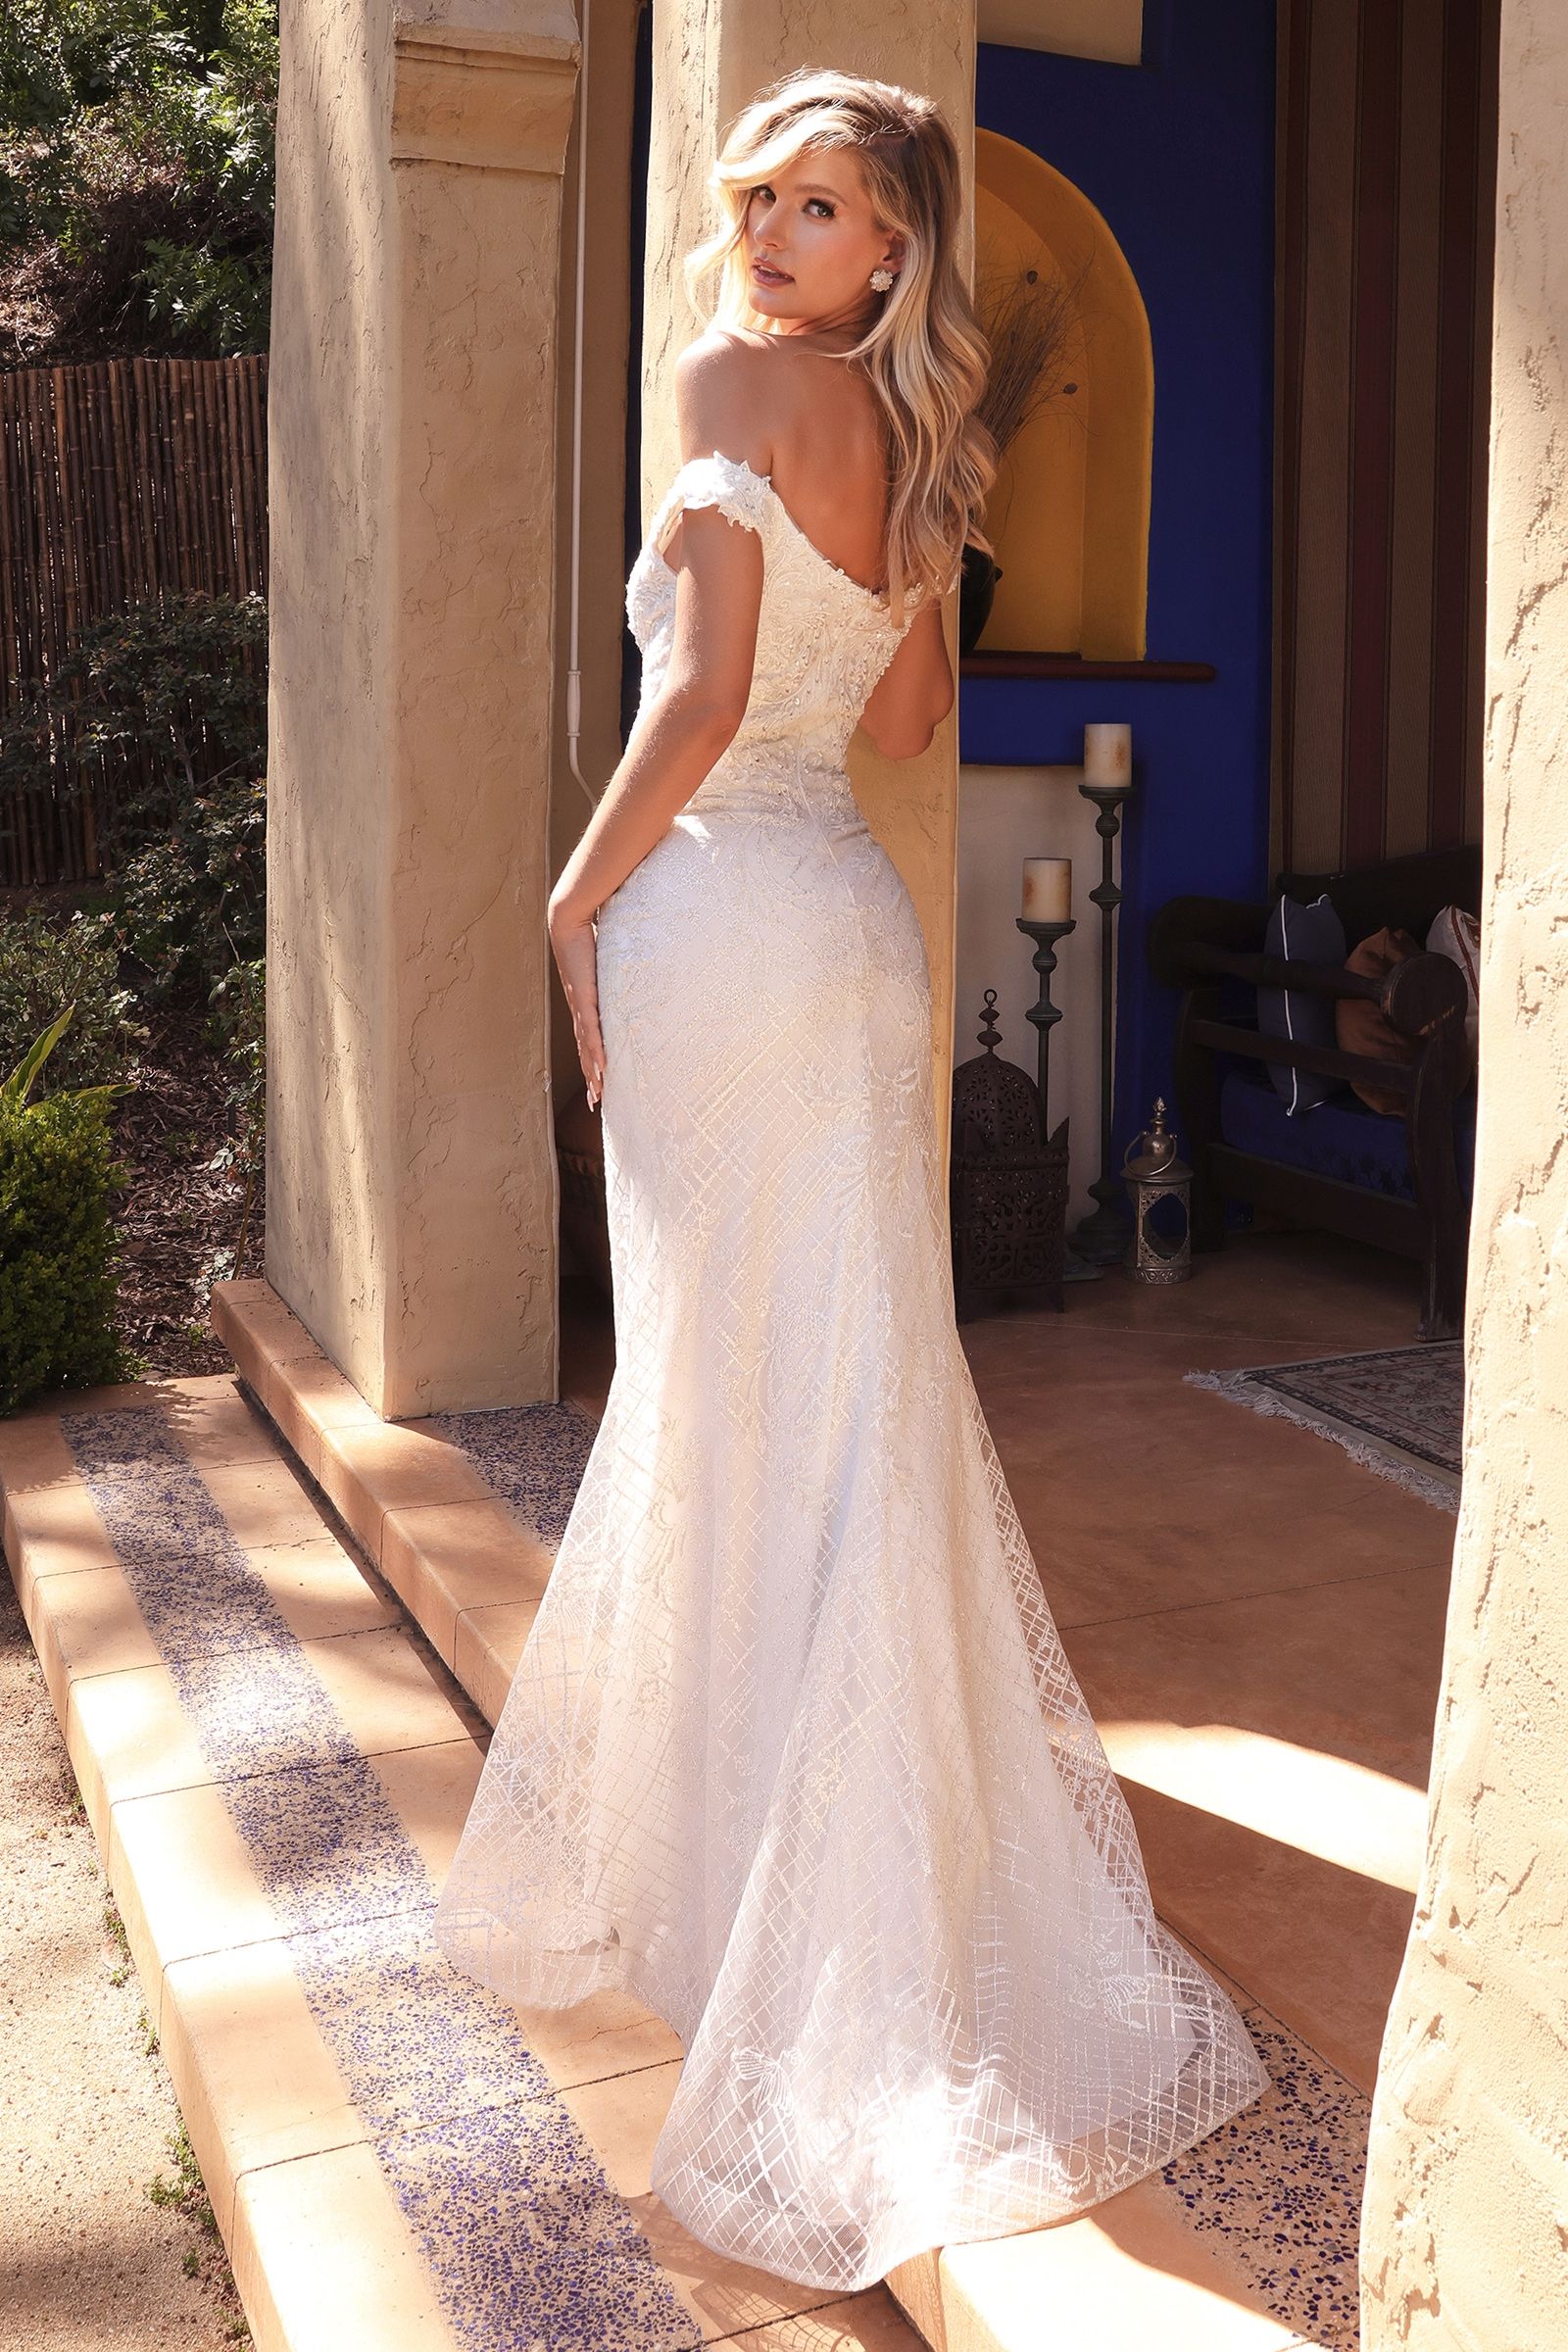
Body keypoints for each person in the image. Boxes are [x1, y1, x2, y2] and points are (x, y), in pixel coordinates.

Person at [432, 64, 1268, 2294]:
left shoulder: (730, 384)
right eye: (764, 198)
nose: (774, 235)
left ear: (894, 245)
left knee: (730, 1387)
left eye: (821, 208)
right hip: (850, 939)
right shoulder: (908, 439)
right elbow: (902, 727)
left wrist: (571, 894)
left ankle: (750, 1895)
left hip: (720, 922)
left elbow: (702, 699)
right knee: (848, 1400)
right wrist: (909, 527)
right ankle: (824, 1883)